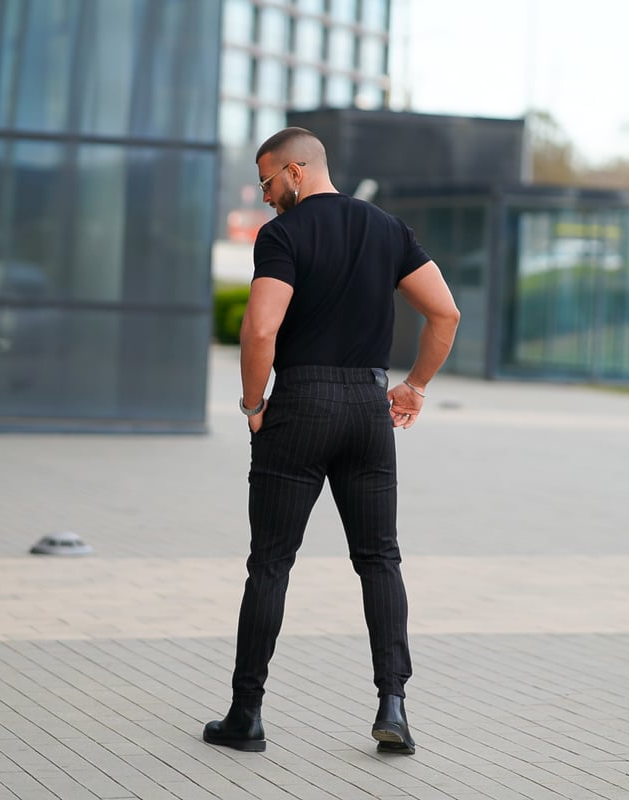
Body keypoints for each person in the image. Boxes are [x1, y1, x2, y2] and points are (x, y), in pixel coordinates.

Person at [203, 127, 460, 755]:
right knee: (380, 560)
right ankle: (394, 707)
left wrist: (253, 404)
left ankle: (246, 715)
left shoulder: (284, 236)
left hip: (301, 405)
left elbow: (260, 330)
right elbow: (445, 312)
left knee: (270, 563)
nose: (265, 197)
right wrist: (415, 386)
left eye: (267, 181)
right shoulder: (388, 229)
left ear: (295, 171)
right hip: (369, 412)